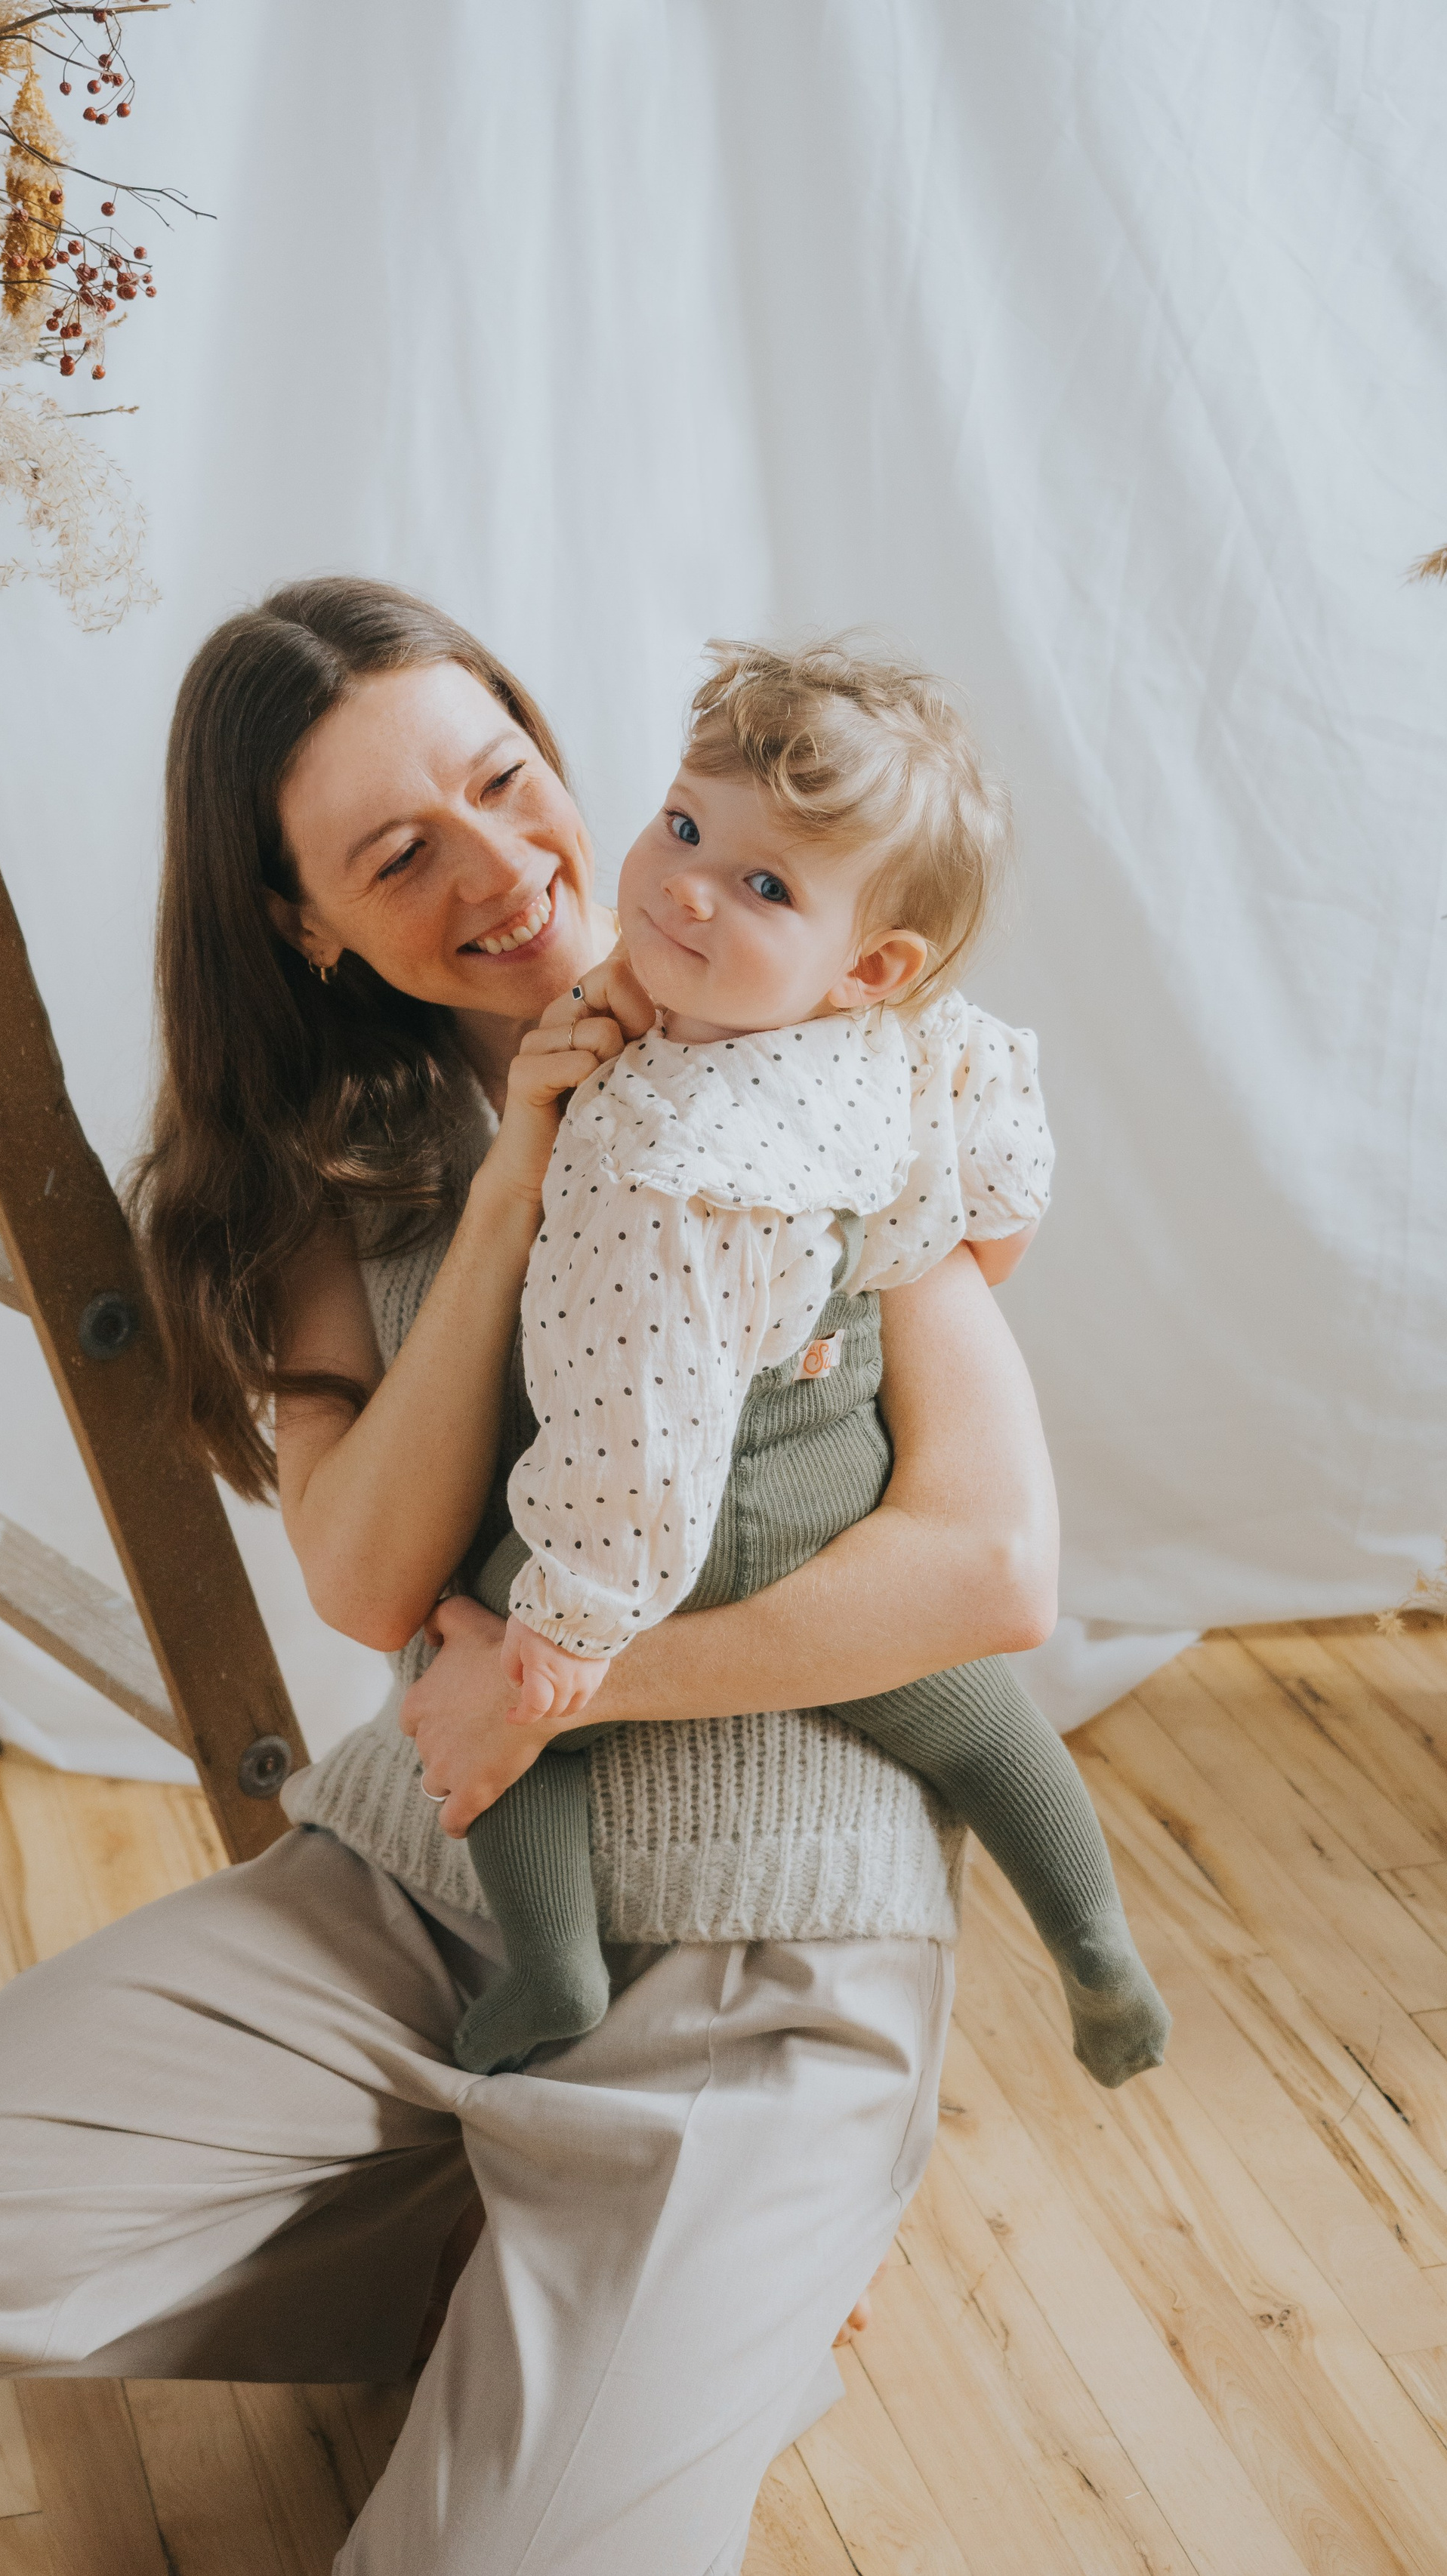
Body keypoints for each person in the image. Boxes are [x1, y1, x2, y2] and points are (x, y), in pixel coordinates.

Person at [0, 578, 1060, 2576]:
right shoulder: (323, 1177)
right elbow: (370, 1580)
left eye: (503, 777)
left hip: (768, 1959)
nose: (499, 863)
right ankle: (601, 2298)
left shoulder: (836, 1072)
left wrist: (563, 1683)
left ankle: (715, 2286)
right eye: (396, 850)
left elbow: (988, 1570)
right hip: (422, 1901)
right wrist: (518, 1172)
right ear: (308, 925)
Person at [450, 638, 1169, 2089]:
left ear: (864, 964)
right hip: (845, 1468)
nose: (685, 887)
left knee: (473, 1640)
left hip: (702, 1518)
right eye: (685, 822)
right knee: (971, 1709)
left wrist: (569, 1629)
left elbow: (636, 1422)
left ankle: (552, 1964)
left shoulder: (667, 1164)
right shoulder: (899, 1034)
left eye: (764, 887)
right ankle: (1098, 1947)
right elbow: (995, 1178)